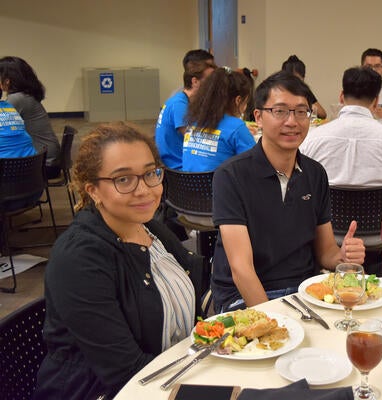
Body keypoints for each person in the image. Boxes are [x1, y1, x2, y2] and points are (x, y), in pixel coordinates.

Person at [33, 123, 206, 400]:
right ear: (93, 190)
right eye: (123, 180)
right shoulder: (79, 259)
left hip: (173, 373)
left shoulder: (150, 228)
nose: (144, 190)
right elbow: (126, 372)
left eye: (151, 174)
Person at [210, 71, 366, 312]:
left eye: (301, 111)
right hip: (245, 294)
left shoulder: (315, 174)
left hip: (305, 290)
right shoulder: (231, 176)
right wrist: (274, 322)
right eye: (280, 111)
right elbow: (241, 269)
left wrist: (342, 257)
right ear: (258, 117)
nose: (292, 122)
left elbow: (326, 252)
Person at [300, 66, 382, 187]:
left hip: (327, 206)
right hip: (379, 206)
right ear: (376, 102)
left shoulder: (311, 139)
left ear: (341, 97)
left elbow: (299, 186)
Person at [182, 67, 256, 172]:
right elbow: (255, 164)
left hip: (188, 186)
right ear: (238, 100)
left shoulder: (194, 121)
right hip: (220, 187)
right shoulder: (236, 127)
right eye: (246, 102)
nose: (245, 107)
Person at [0, 56, 60, 166]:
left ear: (7, 81)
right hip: (47, 157)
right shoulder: (26, 96)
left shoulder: (17, 99)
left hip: (43, 163)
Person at [155, 60, 215, 169]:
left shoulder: (183, 100)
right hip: (177, 167)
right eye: (210, 81)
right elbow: (195, 138)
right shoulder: (179, 104)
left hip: (175, 162)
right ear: (195, 81)